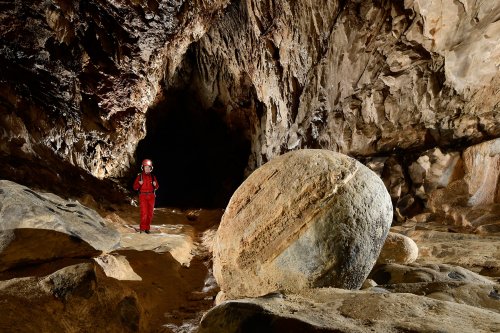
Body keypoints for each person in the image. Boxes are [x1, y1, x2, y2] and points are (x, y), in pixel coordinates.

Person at [133, 159, 159, 234]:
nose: (147, 168)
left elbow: (157, 187)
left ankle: (147, 228)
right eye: (145, 167)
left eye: (148, 167)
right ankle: (142, 228)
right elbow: (135, 187)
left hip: (151, 196)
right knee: (144, 213)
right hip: (143, 196)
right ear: (143, 168)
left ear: (151, 168)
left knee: (150, 213)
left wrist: (155, 185)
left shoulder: (153, 177)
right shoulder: (140, 176)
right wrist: (139, 184)